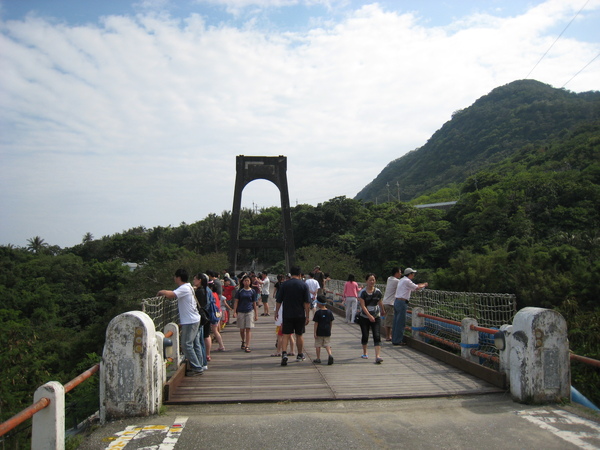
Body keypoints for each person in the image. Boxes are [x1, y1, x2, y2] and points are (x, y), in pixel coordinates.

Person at [158, 269, 204, 376]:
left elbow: (171, 295)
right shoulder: (188, 287)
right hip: (193, 319)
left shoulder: (184, 288)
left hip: (190, 321)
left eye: (175, 276)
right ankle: (199, 365)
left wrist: (161, 291)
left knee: (186, 344)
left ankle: (197, 368)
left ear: (178, 277)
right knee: (194, 344)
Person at [275, 266, 311, 366]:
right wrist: (307, 316)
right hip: (300, 314)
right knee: (299, 335)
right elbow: (307, 303)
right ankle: (299, 355)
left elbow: (279, 300)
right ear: (300, 274)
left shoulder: (284, 284)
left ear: (291, 274)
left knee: (286, 334)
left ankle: (284, 353)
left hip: (287, 313)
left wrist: (276, 312)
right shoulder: (303, 285)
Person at [393, 268, 428, 346]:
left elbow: (414, 287)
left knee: (396, 321)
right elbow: (416, 287)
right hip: (402, 302)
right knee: (400, 322)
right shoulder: (407, 281)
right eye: (413, 274)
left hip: (397, 301)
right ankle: (397, 340)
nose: (413, 276)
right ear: (410, 274)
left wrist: (420, 285)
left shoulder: (402, 280)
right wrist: (424, 284)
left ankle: (395, 338)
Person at [357, 273, 385, 364]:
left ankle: (377, 356)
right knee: (365, 335)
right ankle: (365, 352)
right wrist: (369, 316)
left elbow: (379, 301)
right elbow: (363, 306)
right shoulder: (362, 292)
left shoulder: (378, 292)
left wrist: (383, 310)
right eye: (370, 280)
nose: (371, 282)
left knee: (377, 335)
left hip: (376, 316)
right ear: (366, 281)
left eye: (373, 280)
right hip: (364, 317)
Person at [234, 275, 259, 353]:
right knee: (242, 329)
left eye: (248, 280)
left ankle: (247, 345)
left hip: (249, 311)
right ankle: (243, 341)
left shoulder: (252, 291)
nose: (246, 282)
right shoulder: (240, 291)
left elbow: (254, 303)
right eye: (245, 281)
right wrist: (235, 311)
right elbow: (236, 301)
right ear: (243, 282)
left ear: (250, 282)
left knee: (248, 328)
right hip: (241, 311)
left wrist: (256, 314)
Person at [313, 295, 334, 365]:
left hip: (319, 331)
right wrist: (330, 330)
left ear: (319, 303)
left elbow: (316, 323)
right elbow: (331, 322)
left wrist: (315, 333)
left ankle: (318, 358)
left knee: (318, 345)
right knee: (327, 344)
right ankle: (330, 354)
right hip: (327, 331)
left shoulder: (318, 313)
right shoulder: (329, 312)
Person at [382, 267, 402, 341]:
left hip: (385, 302)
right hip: (390, 303)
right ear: (396, 273)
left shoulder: (389, 278)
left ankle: (389, 335)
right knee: (389, 320)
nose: (400, 274)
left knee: (388, 319)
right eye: (400, 272)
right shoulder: (397, 281)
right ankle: (388, 336)